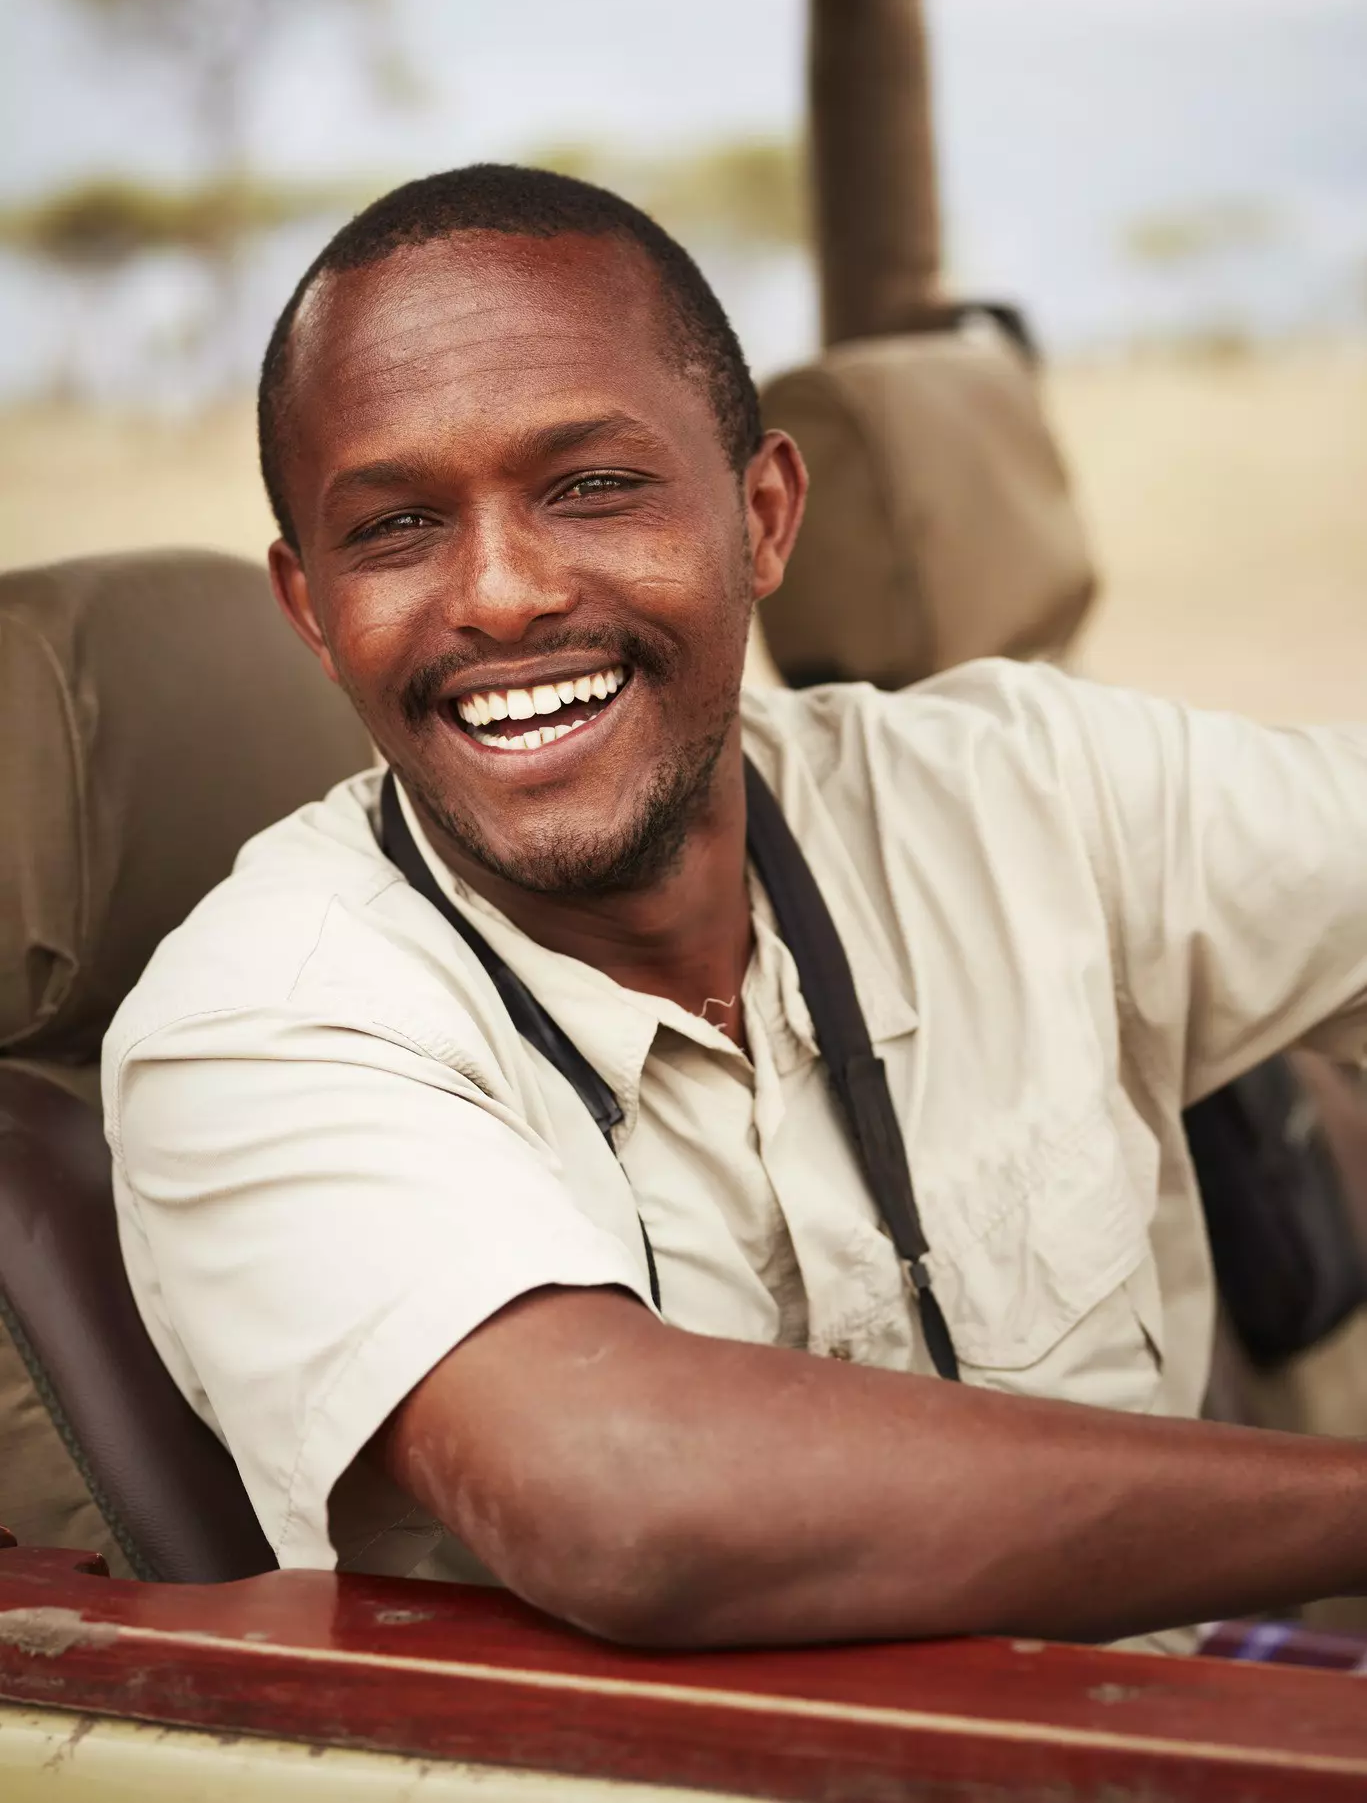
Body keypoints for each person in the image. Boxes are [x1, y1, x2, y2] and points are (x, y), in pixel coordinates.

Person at [104, 165, 1367, 1655]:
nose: (501, 595)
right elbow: (621, 1491)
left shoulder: (1020, 790)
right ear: (312, 609)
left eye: (590, 485)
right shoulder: (248, 1026)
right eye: (393, 527)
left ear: (762, 517)